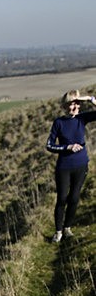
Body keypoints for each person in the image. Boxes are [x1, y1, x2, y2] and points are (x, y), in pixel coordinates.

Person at [46, 89, 96, 242]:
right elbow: (49, 145)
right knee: (62, 198)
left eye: (77, 104)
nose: (75, 107)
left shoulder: (82, 119)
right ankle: (58, 231)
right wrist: (66, 148)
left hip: (81, 165)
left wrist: (90, 99)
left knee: (74, 198)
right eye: (71, 104)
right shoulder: (58, 123)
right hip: (64, 167)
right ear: (65, 106)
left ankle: (67, 228)